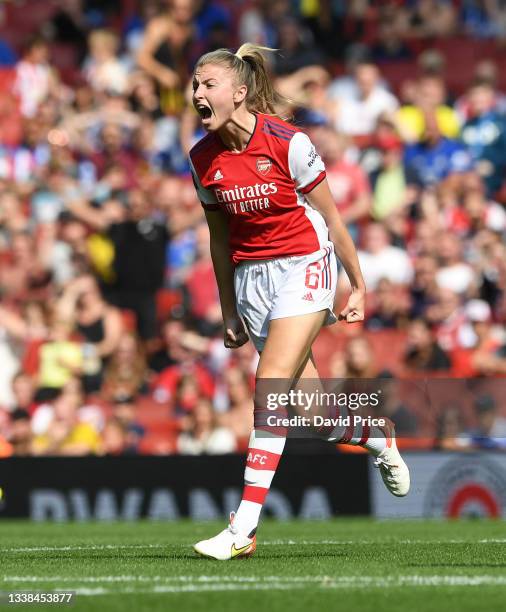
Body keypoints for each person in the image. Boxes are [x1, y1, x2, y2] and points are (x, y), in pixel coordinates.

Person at [188, 44, 410, 560]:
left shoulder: (289, 141)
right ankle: (376, 436)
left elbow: (332, 217)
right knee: (311, 413)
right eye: (195, 85)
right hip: (252, 282)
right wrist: (228, 310)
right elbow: (219, 241)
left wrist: (357, 283)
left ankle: (242, 529)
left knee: (269, 388)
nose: (198, 93)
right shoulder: (202, 158)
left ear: (239, 92)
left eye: (208, 84)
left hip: (304, 264)